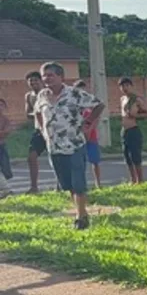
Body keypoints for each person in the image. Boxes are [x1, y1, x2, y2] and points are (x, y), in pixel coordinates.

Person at [34, 62, 105, 230]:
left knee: (78, 181)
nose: (47, 79)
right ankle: (81, 211)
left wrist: (88, 122)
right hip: (54, 146)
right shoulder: (42, 95)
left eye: (51, 75)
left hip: (74, 144)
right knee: (67, 183)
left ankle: (81, 216)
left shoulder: (74, 93)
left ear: (61, 76)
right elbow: (37, 112)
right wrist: (42, 130)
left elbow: (98, 105)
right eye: (44, 76)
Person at [118, 78, 147, 184]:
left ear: (131, 86)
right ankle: (133, 179)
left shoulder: (136, 99)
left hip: (133, 129)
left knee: (135, 156)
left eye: (127, 85)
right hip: (124, 130)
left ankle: (140, 180)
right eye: (122, 86)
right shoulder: (122, 99)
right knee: (127, 156)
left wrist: (136, 115)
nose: (124, 88)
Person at [74, 80, 102, 189]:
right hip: (77, 138)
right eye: (78, 89)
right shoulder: (73, 105)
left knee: (94, 161)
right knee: (79, 162)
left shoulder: (90, 103)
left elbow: (96, 118)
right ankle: (81, 184)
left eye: (83, 89)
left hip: (91, 137)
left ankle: (98, 183)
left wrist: (89, 130)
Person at [24, 71, 46, 193]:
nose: (33, 83)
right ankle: (34, 187)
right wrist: (36, 113)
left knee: (57, 158)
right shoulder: (29, 96)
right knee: (31, 157)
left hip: (52, 130)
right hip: (39, 130)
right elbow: (28, 113)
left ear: (41, 81)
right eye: (30, 81)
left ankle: (61, 185)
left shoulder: (48, 93)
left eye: (35, 80)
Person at [0, 99, 13, 199]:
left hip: (1, 146)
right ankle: (6, 189)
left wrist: (3, 133)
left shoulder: (5, 120)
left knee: (5, 169)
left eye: (1, 105)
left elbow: (7, 132)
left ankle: (5, 190)